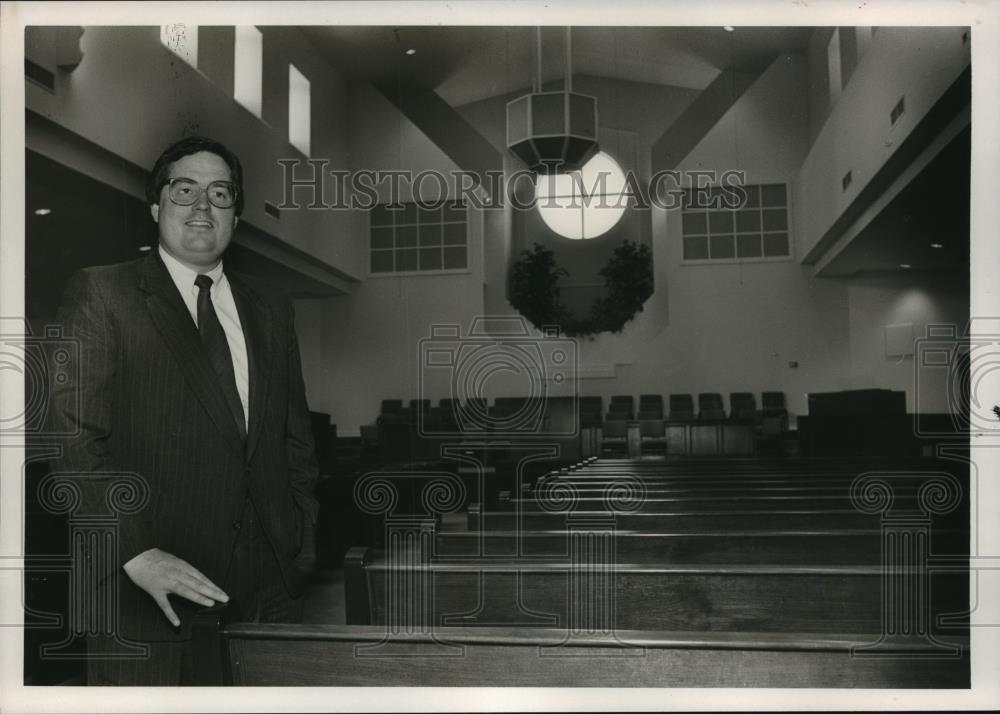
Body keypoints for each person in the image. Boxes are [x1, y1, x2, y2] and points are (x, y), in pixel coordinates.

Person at [48, 136, 320, 685]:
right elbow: (72, 440)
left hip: (268, 592)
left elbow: (295, 441)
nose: (202, 206)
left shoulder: (271, 310)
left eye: (220, 193)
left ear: (236, 216)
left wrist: (299, 538)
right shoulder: (105, 294)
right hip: (147, 592)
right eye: (184, 189)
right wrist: (135, 553)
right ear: (156, 206)